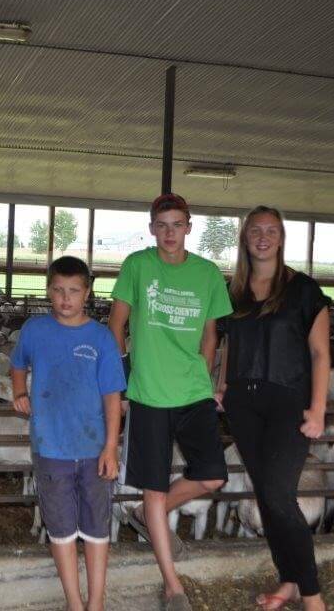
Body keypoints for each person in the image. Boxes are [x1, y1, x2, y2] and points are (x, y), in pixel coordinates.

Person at [108, 193, 231, 611]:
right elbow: (116, 324)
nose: (169, 233)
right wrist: (121, 380)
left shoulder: (208, 273)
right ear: (151, 229)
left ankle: (146, 515)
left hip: (193, 391)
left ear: (188, 227)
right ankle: (173, 585)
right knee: (155, 487)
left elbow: (211, 332)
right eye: (162, 225)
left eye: (177, 224)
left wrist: (205, 373)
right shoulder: (138, 267)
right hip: (147, 393)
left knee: (213, 475)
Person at [216, 206, 329, 611]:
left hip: (288, 402)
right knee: (266, 495)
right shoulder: (235, 291)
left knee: (280, 494)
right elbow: (227, 343)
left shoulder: (303, 290)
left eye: (271, 231)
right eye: (255, 231)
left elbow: (320, 354)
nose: (262, 237)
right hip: (244, 404)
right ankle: (290, 582)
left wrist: (317, 410)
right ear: (245, 238)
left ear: (281, 238)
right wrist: (223, 386)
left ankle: (312, 595)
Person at [11, 256, 126, 611]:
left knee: (96, 526)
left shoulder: (101, 337)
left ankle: (97, 601)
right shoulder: (34, 330)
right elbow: (17, 365)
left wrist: (110, 447)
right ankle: (75, 603)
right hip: (50, 446)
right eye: (58, 290)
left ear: (87, 294)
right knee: (60, 528)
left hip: (93, 448)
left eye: (74, 291)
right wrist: (19, 392)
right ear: (48, 290)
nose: (65, 298)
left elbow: (112, 396)